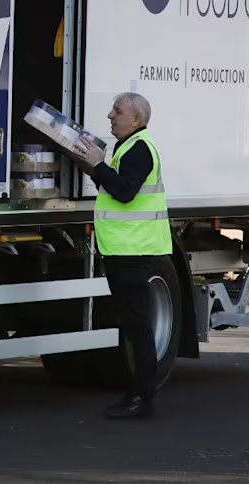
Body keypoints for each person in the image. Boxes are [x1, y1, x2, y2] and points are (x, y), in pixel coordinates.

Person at [69, 91, 171, 420]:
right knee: (132, 325)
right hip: (125, 249)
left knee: (137, 326)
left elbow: (125, 192)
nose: (110, 115)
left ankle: (142, 398)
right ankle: (138, 394)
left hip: (132, 250)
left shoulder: (139, 149)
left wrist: (98, 164)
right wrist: (94, 166)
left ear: (135, 120)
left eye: (118, 111)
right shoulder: (128, 146)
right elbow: (117, 187)